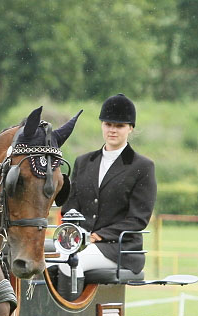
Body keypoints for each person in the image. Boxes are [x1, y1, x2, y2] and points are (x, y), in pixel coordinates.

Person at [61, 93, 156, 274]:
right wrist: (79, 235)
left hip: (119, 248)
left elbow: (138, 219)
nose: (112, 130)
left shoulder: (142, 166)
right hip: (81, 242)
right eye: (108, 124)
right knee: (45, 263)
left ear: (130, 128)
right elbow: (70, 209)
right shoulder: (82, 162)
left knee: (71, 265)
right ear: (102, 125)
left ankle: (76, 302)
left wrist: (100, 235)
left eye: (119, 126)